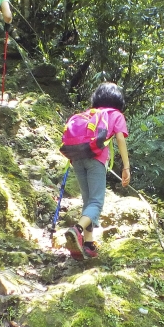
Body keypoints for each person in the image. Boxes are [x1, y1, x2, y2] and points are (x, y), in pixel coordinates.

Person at [64, 82, 130, 259]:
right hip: (96, 160)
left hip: (77, 158)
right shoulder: (115, 115)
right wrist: (126, 167)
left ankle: (88, 244)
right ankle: (76, 230)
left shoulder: (88, 113)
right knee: (96, 203)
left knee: (88, 202)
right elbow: (120, 139)